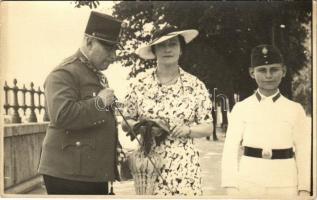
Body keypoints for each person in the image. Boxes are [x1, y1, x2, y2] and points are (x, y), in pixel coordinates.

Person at [38, 11, 124, 195]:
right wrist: (100, 103)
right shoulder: (64, 73)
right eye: (108, 48)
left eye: (115, 49)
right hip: (69, 176)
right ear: (89, 42)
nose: (114, 55)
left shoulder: (93, 73)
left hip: (89, 173)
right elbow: (62, 116)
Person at [122, 25, 214, 196]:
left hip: (185, 168)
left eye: (172, 44)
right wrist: (142, 127)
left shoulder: (195, 85)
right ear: (154, 51)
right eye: (161, 45)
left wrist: (188, 130)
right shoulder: (139, 83)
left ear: (181, 50)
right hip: (147, 168)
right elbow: (126, 120)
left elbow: (208, 126)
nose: (167, 49)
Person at [221, 44, 311, 197]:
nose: (268, 76)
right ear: (251, 72)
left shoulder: (295, 109)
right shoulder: (241, 108)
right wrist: (231, 186)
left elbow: (304, 151)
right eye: (262, 70)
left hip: (285, 184)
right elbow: (230, 149)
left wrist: (304, 188)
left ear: (283, 71)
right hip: (249, 183)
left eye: (274, 70)